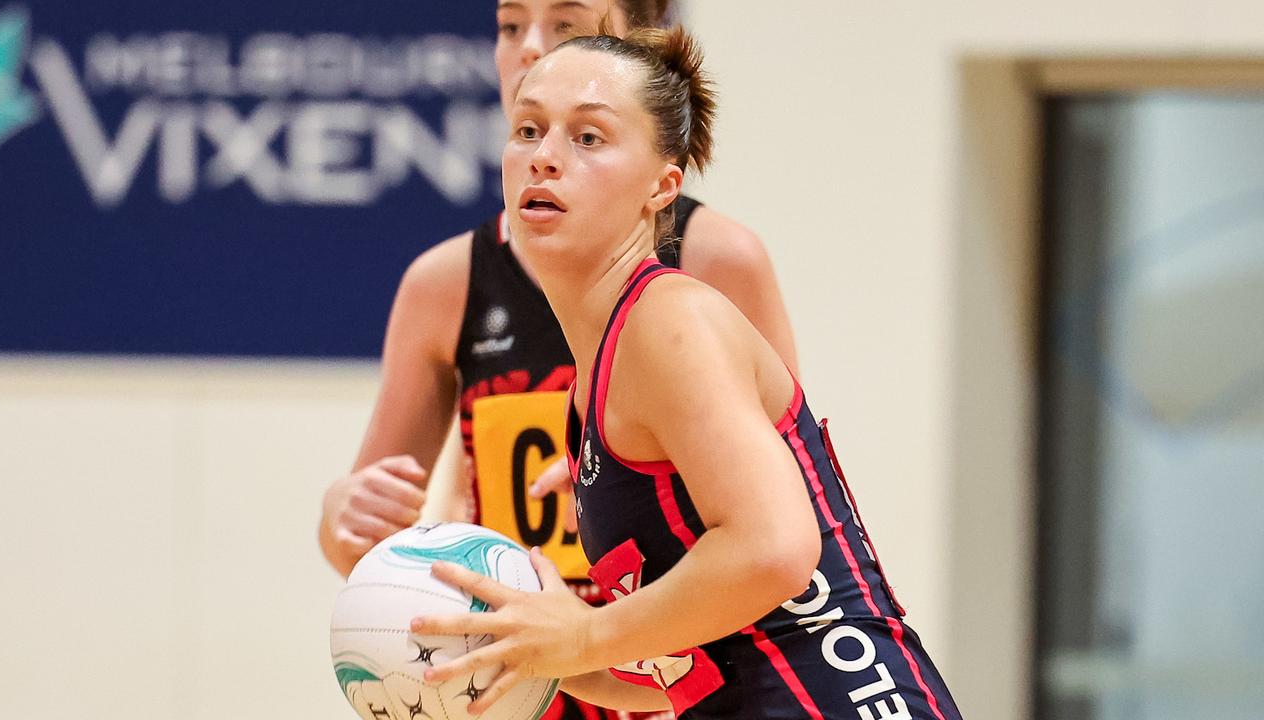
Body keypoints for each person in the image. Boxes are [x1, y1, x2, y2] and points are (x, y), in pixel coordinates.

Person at [408, 27, 964, 720]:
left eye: (588, 138)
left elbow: (774, 550)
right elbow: (696, 664)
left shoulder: (670, 322)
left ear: (661, 185)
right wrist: (550, 654)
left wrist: (583, 634)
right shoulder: (598, 373)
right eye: (527, 129)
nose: (544, 158)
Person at [319, 2, 796, 718]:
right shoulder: (448, 281)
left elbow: (789, 526)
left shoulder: (695, 281)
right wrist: (339, 520)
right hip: (532, 677)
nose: (529, 48)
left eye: (567, 26)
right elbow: (383, 544)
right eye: (511, 26)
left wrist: (595, 627)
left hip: (678, 674)